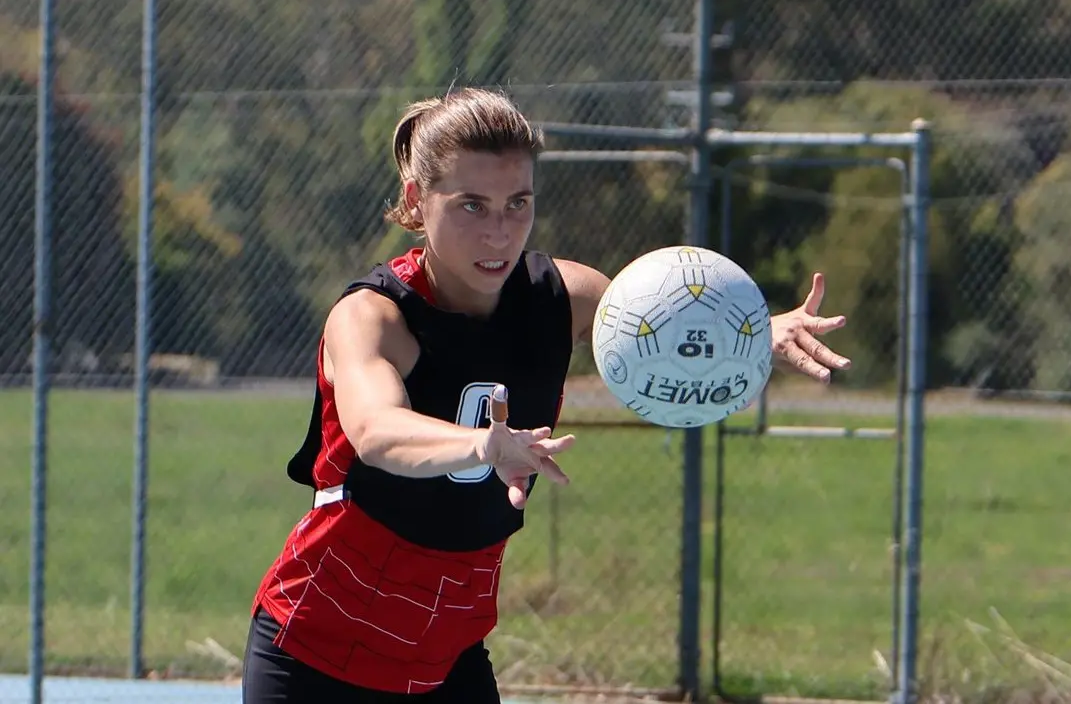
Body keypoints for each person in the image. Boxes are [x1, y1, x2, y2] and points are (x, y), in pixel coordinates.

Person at [240, 87, 853, 703]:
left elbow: (661, 331)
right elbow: (376, 431)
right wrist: (483, 445)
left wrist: (753, 334)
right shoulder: (374, 317)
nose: (500, 232)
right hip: (317, 650)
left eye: (518, 203)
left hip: (446, 655)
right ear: (417, 203)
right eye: (472, 206)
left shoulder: (561, 298)